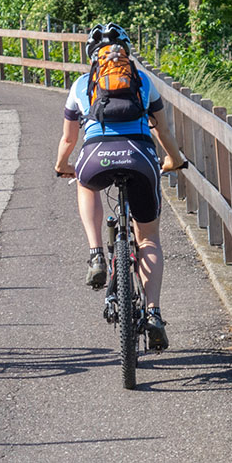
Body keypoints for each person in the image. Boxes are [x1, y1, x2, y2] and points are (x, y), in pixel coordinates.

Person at [54, 22, 185, 350]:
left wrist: (62, 167)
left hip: (96, 156)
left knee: (84, 182)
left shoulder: (82, 85)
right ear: (126, 51)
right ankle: (153, 313)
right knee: (149, 238)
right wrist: (174, 160)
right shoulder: (143, 82)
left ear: (91, 55)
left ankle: (96, 252)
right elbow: (163, 132)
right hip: (140, 157)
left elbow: (69, 138)